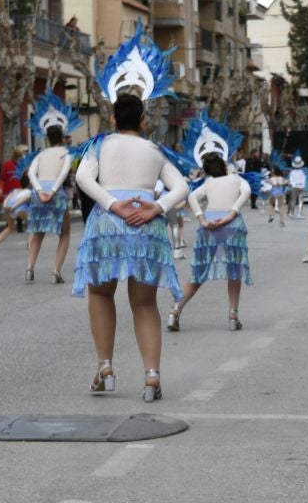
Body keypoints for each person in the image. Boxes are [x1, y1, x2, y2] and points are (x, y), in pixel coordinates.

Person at [74, 46, 188, 403]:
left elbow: (82, 178)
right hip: (146, 224)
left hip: (108, 223)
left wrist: (112, 203)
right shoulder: (155, 151)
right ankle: (152, 375)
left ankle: (105, 367)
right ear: (143, 121)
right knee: (144, 304)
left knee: (100, 294)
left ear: (112, 119)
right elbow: (182, 187)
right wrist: (156, 207)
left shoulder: (99, 145)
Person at [168, 114, 255, 332]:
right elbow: (246, 191)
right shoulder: (236, 179)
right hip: (232, 227)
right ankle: (233, 315)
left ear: (206, 169)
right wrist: (231, 214)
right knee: (234, 272)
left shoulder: (208, 183)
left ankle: (175, 311)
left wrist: (202, 219)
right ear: (225, 165)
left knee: (198, 274)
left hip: (209, 227)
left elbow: (191, 197)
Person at [23, 94, 81, 285]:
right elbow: (64, 173)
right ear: (63, 136)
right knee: (64, 234)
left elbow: (31, 174)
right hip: (57, 195)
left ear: (46, 137)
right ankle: (56, 271)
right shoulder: (67, 152)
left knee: (38, 233)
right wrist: (53, 190)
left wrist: (40, 190)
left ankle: (30, 267)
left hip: (38, 195)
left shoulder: (41, 154)